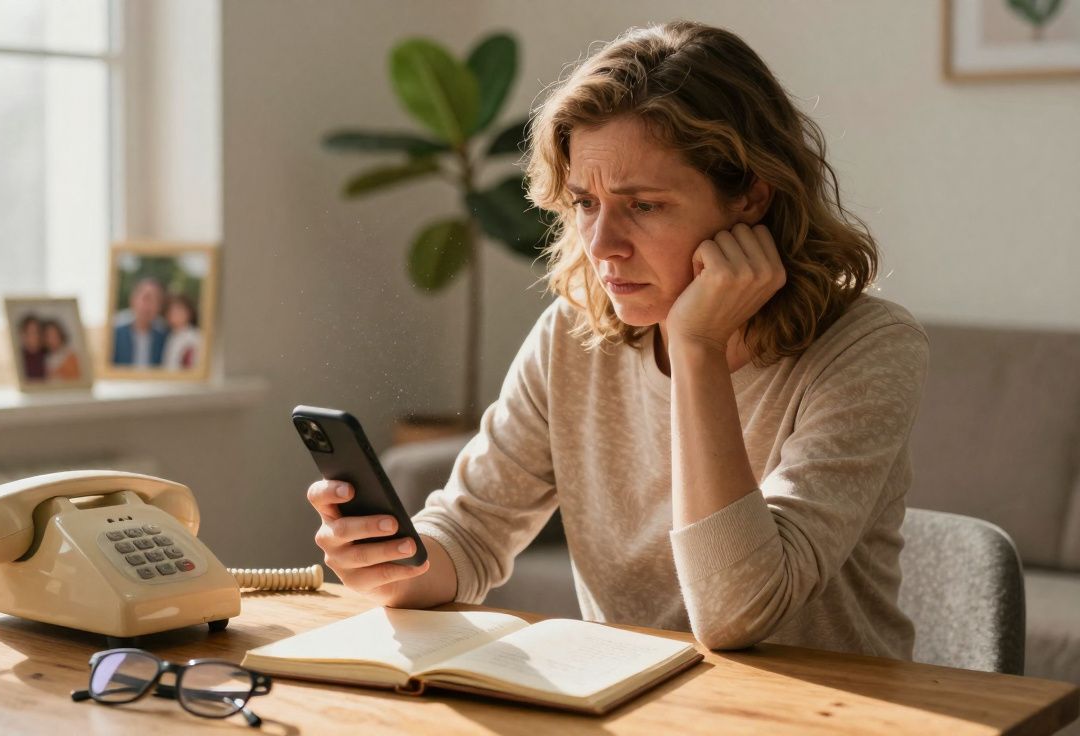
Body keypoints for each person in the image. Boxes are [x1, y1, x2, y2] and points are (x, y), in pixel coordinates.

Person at [307, 21, 929, 660]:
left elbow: (738, 614)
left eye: (644, 206)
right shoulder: (572, 335)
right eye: (584, 203)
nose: (601, 245)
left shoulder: (869, 350)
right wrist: (393, 563)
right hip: (630, 706)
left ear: (749, 196)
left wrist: (696, 347)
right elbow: (467, 535)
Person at [111, 277, 168, 367]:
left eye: (157, 300)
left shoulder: (164, 339)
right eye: (146, 298)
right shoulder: (115, 335)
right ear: (133, 299)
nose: (150, 305)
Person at [162, 294, 202, 371]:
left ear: (189, 312)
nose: (175, 314)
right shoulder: (170, 337)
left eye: (179, 309)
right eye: (171, 311)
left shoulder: (196, 336)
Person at [18, 314, 47, 382]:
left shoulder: (47, 353)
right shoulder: (19, 357)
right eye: (32, 332)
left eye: (37, 332)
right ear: (24, 335)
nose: (36, 336)